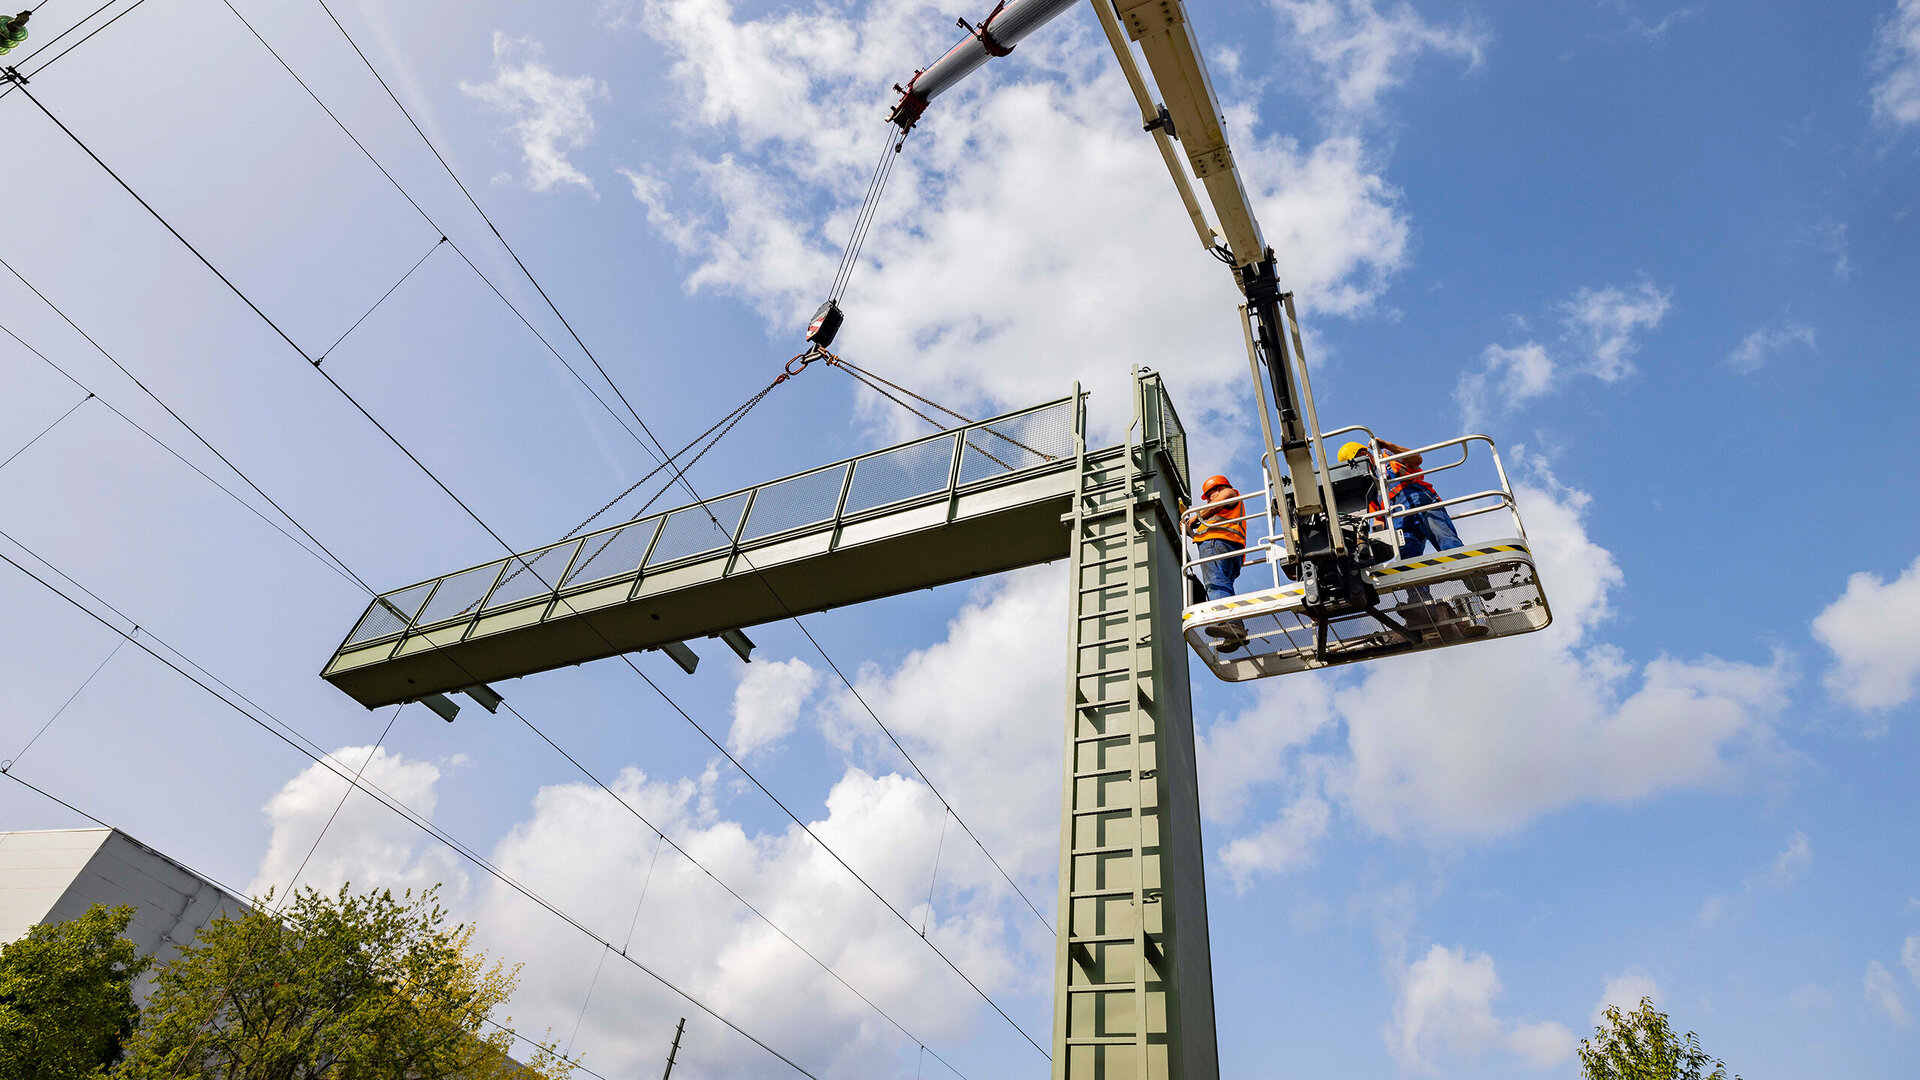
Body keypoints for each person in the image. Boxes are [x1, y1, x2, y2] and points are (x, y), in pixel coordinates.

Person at [1337, 439, 1461, 557]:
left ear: (1366, 453)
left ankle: (1473, 576)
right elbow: (1378, 519)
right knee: (1407, 563)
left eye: (1360, 458)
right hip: (1398, 521)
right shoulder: (1370, 488)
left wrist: (1387, 445)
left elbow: (1416, 459)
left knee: (1447, 541)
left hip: (1422, 504)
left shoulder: (1388, 458)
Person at [1188, 474, 1249, 650]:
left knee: (1215, 584)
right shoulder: (1219, 512)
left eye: (1209, 496)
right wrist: (1191, 529)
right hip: (1228, 549)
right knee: (1223, 586)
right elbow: (1204, 527)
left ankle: (1232, 624)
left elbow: (1218, 503)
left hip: (1218, 544)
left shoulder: (1229, 493)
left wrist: (1194, 519)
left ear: (1218, 489)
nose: (1208, 500)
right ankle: (1234, 634)